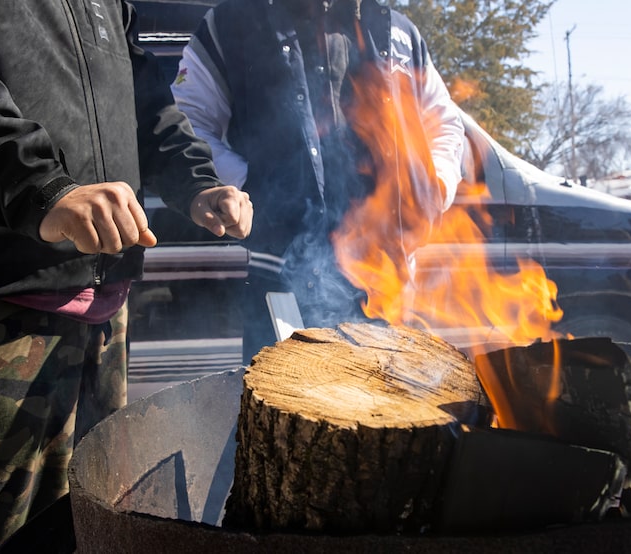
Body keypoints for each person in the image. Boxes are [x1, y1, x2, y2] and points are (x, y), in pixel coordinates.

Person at [0, 2, 252, 553]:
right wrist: (39, 187)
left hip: (102, 305)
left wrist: (195, 182)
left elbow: (143, 94)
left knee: (94, 526)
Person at [171, 0, 465, 362]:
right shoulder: (231, 23)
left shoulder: (396, 31)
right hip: (281, 280)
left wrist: (434, 187)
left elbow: (444, 122)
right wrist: (252, 187)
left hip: (386, 280)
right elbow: (189, 122)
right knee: (287, 408)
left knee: (390, 407)